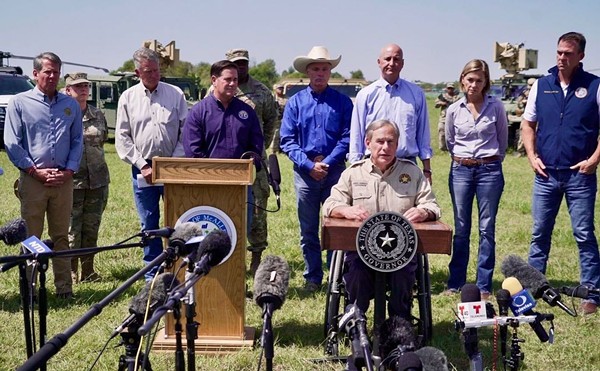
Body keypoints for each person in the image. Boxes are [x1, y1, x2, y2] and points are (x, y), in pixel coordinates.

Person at [323, 119, 440, 319]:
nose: (385, 147)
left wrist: (424, 212)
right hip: (362, 250)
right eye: (380, 141)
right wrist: (345, 210)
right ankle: (355, 320)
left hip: (401, 251)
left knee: (403, 275)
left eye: (391, 142)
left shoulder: (412, 173)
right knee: (357, 272)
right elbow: (330, 205)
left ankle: (399, 324)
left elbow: (432, 205)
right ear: (368, 143)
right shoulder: (353, 173)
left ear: (397, 144)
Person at [521, 32, 600, 315]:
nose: (562, 58)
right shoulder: (542, 85)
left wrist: (593, 160)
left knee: (583, 233)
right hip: (546, 175)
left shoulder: (594, 86)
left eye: (568, 53)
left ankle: (591, 293)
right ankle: (533, 288)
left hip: (580, 175)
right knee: (540, 232)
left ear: (580, 56)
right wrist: (532, 157)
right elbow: (528, 125)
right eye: (558, 53)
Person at [4, 52, 83, 299]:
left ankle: (64, 289)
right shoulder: (19, 103)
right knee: (31, 236)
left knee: (61, 235)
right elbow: (12, 142)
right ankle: (30, 289)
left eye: (56, 72)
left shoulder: (69, 105)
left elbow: (77, 141)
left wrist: (69, 170)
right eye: (47, 71)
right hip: (33, 180)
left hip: (63, 181)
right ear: (35, 73)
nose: (52, 76)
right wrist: (34, 171)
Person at [280, 46, 353, 293]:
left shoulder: (343, 102)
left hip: (335, 172)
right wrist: (309, 165)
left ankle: (336, 276)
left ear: (330, 72)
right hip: (305, 173)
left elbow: (347, 137)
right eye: (315, 69)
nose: (320, 73)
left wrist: (328, 162)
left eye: (324, 69)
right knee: (308, 228)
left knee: (335, 226)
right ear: (307, 72)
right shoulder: (295, 103)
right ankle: (313, 277)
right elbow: (287, 140)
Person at [115, 47, 188, 281]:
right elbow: (123, 137)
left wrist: (172, 161)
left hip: (171, 167)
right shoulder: (127, 98)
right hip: (142, 168)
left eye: (156, 70)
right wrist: (141, 165)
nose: (154, 75)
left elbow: (185, 131)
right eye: (148, 71)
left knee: (178, 219)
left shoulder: (175, 94)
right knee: (149, 220)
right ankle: (152, 272)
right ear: (137, 72)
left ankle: (178, 265)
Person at [444, 59, 508, 299]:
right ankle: (455, 282)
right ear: (462, 80)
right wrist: (463, 159)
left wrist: (489, 160)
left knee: (486, 228)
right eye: (469, 79)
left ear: (485, 82)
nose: (473, 84)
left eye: (479, 80)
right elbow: (450, 141)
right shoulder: (453, 109)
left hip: (489, 170)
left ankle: (483, 285)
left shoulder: (496, 107)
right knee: (461, 228)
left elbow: (502, 140)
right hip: (460, 169)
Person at [182, 60, 264, 233]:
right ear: (214, 80)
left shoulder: (247, 111)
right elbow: (193, 151)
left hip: (241, 186)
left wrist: (249, 163)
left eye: (235, 79)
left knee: (240, 230)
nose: (233, 83)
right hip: (209, 186)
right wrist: (215, 173)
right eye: (228, 79)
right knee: (211, 231)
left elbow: (256, 146)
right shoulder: (198, 111)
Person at [225, 49, 279, 274]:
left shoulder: (261, 91)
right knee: (227, 208)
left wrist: (259, 148)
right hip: (226, 162)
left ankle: (256, 256)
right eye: (236, 64)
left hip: (254, 161)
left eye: (243, 63)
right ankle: (229, 255)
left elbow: (271, 121)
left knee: (257, 209)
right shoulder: (219, 88)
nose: (240, 67)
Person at [349, 43, 433, 183]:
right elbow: (357, 134)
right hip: (373, 164)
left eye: (396, 59)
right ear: (379, 62)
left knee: (407, 205)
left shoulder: (416, 94)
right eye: (387, 59)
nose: (391, 63)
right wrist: (354, 167)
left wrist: (427, 169)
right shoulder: (366, 95)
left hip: (406, 164)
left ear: (402, 63)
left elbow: (423, 134)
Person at [64, 72, 110, 283]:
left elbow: (103, 141)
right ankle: (71, 271)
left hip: (97, 180)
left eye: (85, 86)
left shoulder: (97, 114)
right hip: (72, 181)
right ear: (67, 90)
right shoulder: (62, 114)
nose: (83, 89)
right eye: (77, 86)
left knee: (92, 227)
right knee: (72, 229)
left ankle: (88, 271)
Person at [513, 78, 536, 156]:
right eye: (529, 85)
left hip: (537, 116)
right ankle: (521, 151)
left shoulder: (539, 92)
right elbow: (518, 103)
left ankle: (535, 152)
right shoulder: (524, 93)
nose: (529, 87)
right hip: (526, 115)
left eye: (531, 85)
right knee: (523, 133)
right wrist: (522, 103)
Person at [435, 83, 460, 151]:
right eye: (449, 88)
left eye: (451, 88)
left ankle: (452, 147)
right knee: (442, 132)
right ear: (446, 89)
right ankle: (443, 148)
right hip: (443, 118)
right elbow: (436, 104)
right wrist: (442, 103)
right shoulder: (443, 96)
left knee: (453, 134)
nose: (450, 90)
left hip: (454, 118)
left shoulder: (457, 97)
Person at [271, 83, 287, 154]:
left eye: (282, 88)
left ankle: (281, 150)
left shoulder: (286, 99)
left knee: (282, 135)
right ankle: (273, 150)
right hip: (275, 120)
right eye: (279, 88)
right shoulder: (272, 98)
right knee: (275, 135)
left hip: (283, 120)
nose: (281, 90)